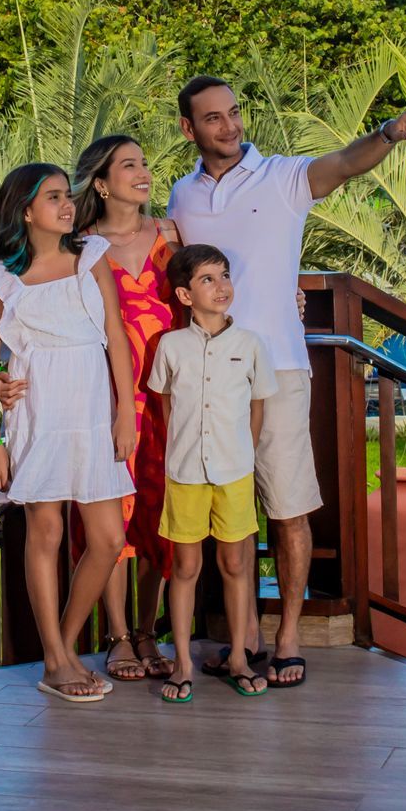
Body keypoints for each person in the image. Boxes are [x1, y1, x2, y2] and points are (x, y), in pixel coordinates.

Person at [166, 74, 406, 687]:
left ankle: (286, 636)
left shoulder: (283, 177)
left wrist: (388, 133)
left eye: (234, 112)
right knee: (228, 510)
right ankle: (245, 635)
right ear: (189, 129)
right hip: (209, 378)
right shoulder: (181, 195)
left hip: (277, 367)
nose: (230, 126)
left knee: (286, 508)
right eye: (213, 118)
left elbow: (342, 164)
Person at [0, 163, 138, 703]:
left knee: (109, 539)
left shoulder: (91, 257)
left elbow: (115, 335)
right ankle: (55, 658)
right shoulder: (1, 276)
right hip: (38, 415)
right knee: (45, 534)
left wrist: (124, 413)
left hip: (94, 412)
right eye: (53, 198)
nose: (66, 206)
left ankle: (62, 649)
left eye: (67, 196)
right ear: (25, 211)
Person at [146, 244, 276, 703]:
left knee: (237, 563)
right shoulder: (170, 346)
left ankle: (239, 657)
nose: (221, 287)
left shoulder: (250, 345)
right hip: (184, 474)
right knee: (185, 566)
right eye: (207, 279)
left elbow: (257, 409)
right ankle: (183, 663)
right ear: (184, 295)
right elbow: (165, 406)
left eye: (224, 276)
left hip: (235, 472)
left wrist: (243, 453)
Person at [70, 135, 176, 682]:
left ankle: (147, 630)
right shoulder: (80, 247)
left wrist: (288, 297)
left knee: (161, 516)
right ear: (103, 183)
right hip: (108, 401)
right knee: (112, 519)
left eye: (144, 163)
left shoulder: (173, 236)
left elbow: (212, 288)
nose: (143, 172)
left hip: (170, 402)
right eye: (128, 165)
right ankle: (116, 634)